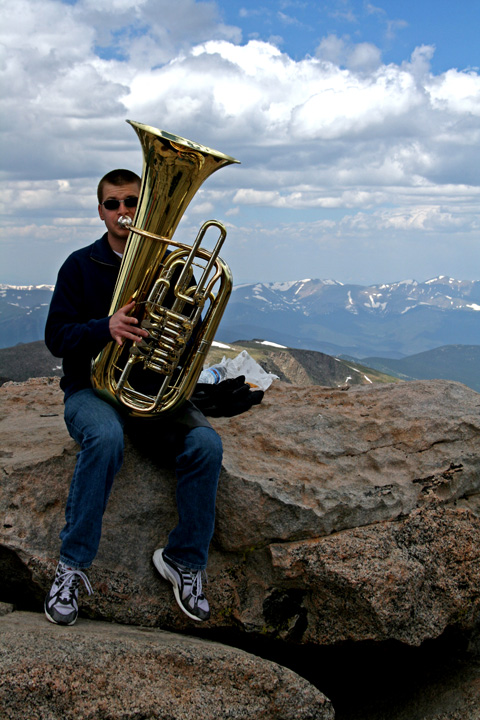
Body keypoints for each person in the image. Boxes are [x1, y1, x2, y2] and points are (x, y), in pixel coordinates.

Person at [44, 169, 223, 626]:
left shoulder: (175, 268)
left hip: (151, 395)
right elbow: (56, 338)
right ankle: (72, 568)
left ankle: (184, 560)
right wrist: (105, 328)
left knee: (207, 445)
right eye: (112, 204)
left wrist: (178, 341)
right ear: (100, 211)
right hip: (92, 389)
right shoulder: (80, 265)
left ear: (143, 209)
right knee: (104, 440)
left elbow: (189, 339)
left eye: (131, 203)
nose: (123, 212)